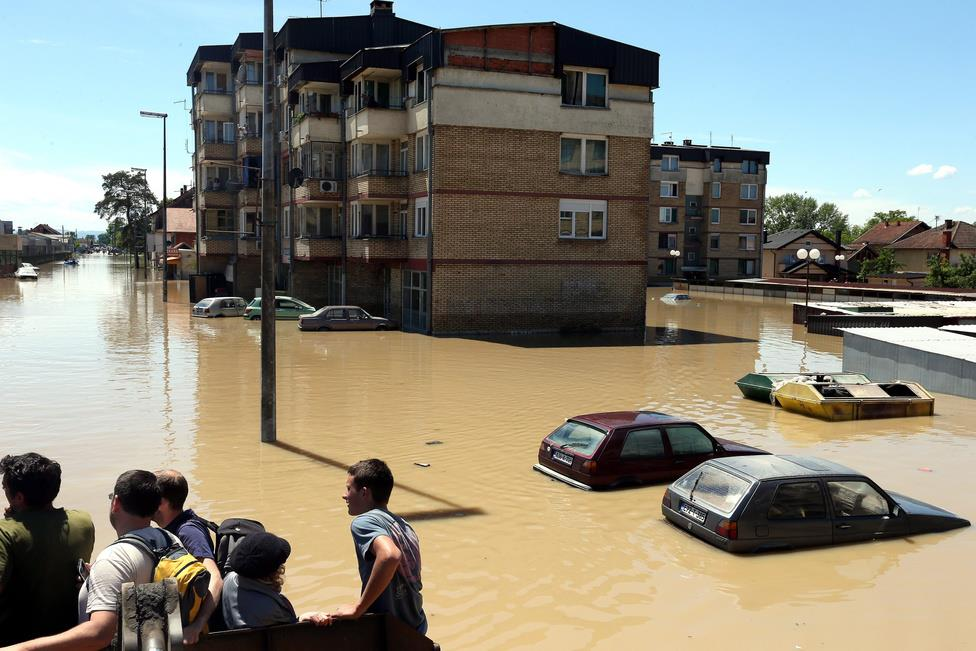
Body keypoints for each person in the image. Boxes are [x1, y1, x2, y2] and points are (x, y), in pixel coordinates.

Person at [1, 469, 161, 651]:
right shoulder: (168, 540)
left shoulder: (112, 560)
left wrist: (19, 649)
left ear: (116, 502)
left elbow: (99, 634)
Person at [306, 459, 426, 634]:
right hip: (416, 626)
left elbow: (390, 555)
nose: (344, 495)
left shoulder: (364, 521)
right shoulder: (404, 525)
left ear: (364, 493)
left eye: (348, 488)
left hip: (391, 631)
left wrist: (359, 608)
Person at [0, 453, 95, 645]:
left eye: (5, 488)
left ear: (18, 497)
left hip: (17, 640)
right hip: (71, 633)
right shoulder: (83, 522)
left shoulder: (5, 532)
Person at [153, 469, 222, 642]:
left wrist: (197, 625)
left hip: (198, 631)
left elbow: (215, 578)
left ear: (161, 502)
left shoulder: (188, 532)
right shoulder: (172, 528)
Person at [221, 532, 297, 629]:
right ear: (274, 572)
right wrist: (301, 619)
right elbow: (290, 630)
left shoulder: (229, 579)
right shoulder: (273, 609)